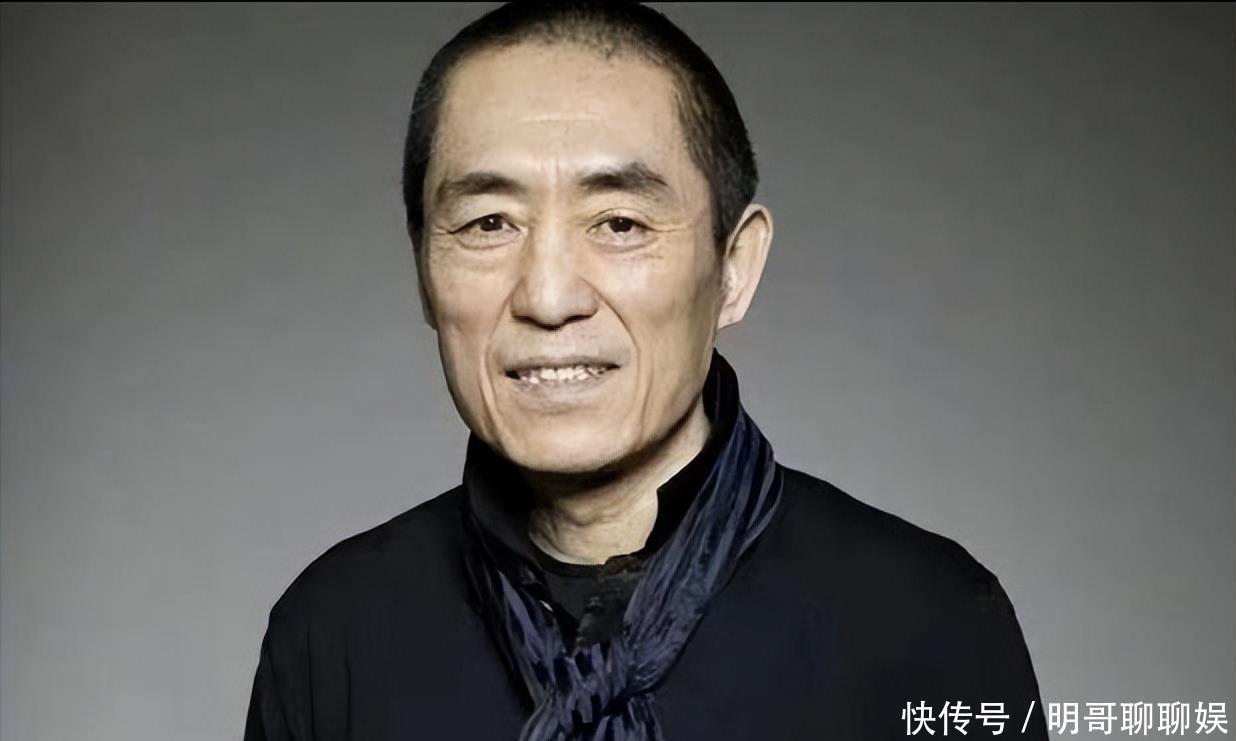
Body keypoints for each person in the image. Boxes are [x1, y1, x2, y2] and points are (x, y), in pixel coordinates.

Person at [243, 2, 1048, 739]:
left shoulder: (926, 621)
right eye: (489, 222)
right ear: (424, 271)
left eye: (620, 223)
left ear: (734, 268)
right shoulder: (333, 633)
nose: (548, 296)